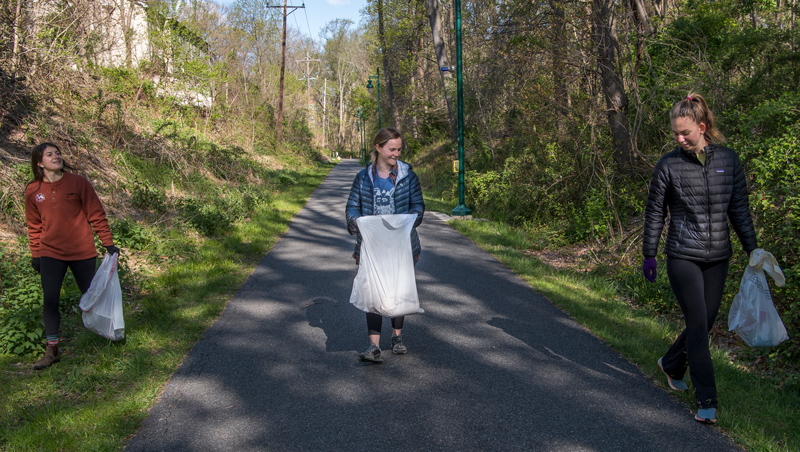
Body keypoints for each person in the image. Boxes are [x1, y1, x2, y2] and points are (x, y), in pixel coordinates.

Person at [642, 93, 758, 424]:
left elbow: (739, 210)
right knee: (697, 326)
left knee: (704, 324)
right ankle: (707, 399)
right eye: (675, 134)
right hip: (682, 255)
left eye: (685, 133)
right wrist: (649, 253)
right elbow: (654, 213)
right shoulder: (668, 165)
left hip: (718, 255)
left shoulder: (728, 160)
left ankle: (671, 362)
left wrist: (753, 248)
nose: (679, 139)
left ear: (702, 127)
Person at [25, 143, 120, 370]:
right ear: (40, 162)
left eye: (57, 153)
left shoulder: (78, 183)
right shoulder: (33, 190)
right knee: (50, 300)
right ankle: (53, 350)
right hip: (50, 253)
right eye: (50, 154)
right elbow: (34, 225)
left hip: (81, 250)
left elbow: (96, 213)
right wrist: (36, 254)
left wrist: (108, 243)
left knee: (92, 297)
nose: (56, 156)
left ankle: (105, 339)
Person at [346, 127, 425, 363]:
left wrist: (411, 218)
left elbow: (418, 206)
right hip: (371, 247)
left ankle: (397, 338)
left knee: (398, 291)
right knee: (373, 294)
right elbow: (352, 207)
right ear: (378, 148)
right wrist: (355, 223)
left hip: (401, 246)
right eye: (392, 149)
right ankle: (374, 346)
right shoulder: (363, 177)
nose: (396, 154)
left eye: (399, 149)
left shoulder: (408, 175)